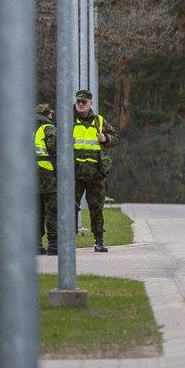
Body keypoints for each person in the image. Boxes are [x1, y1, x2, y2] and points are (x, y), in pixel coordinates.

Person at [71, 89, 116, 253]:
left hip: (95, 175)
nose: (80, 104)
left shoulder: (99, 121)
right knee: (70, 208)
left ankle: (98, 241)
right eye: (78, 102)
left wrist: (105, 138)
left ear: (90, 103)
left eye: (84, 102)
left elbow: (115, 137)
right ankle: (68, 242)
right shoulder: (68, 120)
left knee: (96, 208)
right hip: (73, 175)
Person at [34, 102, 56, 256]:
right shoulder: (48, 127)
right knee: (52, 210)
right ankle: (54, 244)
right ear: (48, 114)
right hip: (48, 175)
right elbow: (55, 149)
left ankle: (35, 244)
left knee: (36, 211)